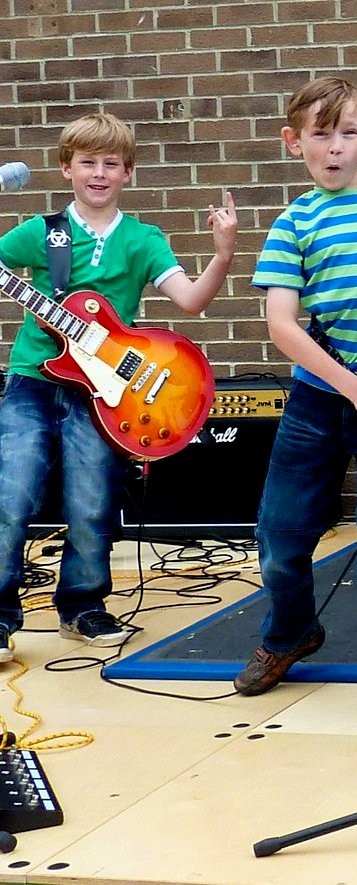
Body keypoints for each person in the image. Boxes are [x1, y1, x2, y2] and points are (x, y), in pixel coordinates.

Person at [0, 113, 237, 661]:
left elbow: (191, 301)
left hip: (106, 394)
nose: (99, 173)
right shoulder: (41, 233)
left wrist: (223, 253)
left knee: (92, 502)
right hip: (34, 379)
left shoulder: (142, 239)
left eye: (111, 163)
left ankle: (82, 607)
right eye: (88, 162)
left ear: (128, 172)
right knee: (11, 495)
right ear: (67, 169)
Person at [235, 77, 357, 723]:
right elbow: (282, 326)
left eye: (347, 133)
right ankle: (290, 633)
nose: (334, 147)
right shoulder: (294, 222)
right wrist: (354, 388)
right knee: (280, 536)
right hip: (319, 401)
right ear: (293, 142)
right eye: (320, 135)